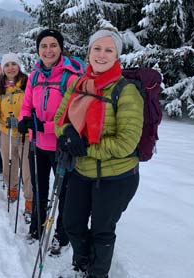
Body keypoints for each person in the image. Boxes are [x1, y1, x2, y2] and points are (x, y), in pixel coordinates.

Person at [54, 28, 144, 277]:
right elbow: (59, 120)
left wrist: (85, 147)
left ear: (117, 56)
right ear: (89, 51)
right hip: (82, 171)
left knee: (102, 230)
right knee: (72, 223)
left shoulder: (126, 91)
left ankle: (97, 273)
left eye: (108, 50)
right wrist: (67, 135)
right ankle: (84, 264)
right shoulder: (78, 83)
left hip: (117, 177)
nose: (101, 55)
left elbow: (126, 142)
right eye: (97, 48)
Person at [18, 29, 84, 255]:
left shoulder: (70, 77)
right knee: (39, 189)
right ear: (38, 49)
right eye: (44, 46)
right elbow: (27, 105)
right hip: (37, 145)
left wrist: (42, 126)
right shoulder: (35, 75)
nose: (48, 50)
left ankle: (61, 235)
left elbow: (74, 115)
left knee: (63, 194)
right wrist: (23, 120)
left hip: (61, 147)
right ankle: (37, 227)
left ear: (60, 48)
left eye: (53, 45)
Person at [0, 53, 33, 218]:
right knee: (10, 163)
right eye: (7, 65)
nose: (11, 68)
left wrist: (26, 121)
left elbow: (33, 106)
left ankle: (30, 200)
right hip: (6, 132)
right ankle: (12, 189)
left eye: (13, 64)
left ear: (18, 66)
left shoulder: (27, 83)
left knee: (27, 168)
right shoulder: (0, 87)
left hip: (25, 134)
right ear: (3, 69)